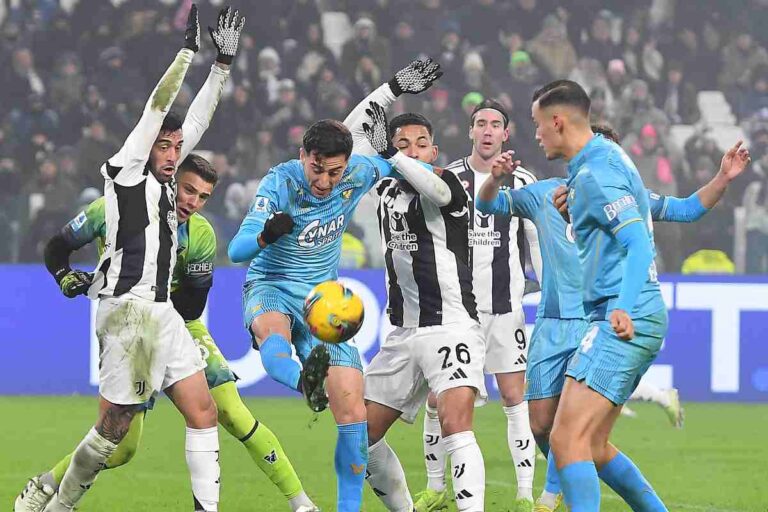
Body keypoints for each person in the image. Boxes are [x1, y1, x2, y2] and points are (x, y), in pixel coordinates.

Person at [31, 7, 243, 512]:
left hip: (161, 312)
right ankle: (55, 503)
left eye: (176, 148)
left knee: (203, 411)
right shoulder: (128, 173)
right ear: (147, 149)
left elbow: (198, 117)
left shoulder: (169, 179)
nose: (172, 153)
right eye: (164, 147)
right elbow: (158, 108)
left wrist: (222, 66)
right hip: (126, 311)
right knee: (113, 431)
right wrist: (187, 53)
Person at [17, 158, 318, 512]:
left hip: (180, 326)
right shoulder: (113, 210)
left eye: (203, 196)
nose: (192, 202)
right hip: (130, 329)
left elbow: (192, 307)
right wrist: (67, 277)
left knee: (234, 415)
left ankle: (302, 504)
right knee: (122, 447)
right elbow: (56, 247)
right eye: (188, 190)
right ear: (170, 182)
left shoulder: (201, 234)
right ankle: (47, 484)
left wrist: (151, 296)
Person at [477, 132, 749, 511]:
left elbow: (686, 209)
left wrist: (722, 178)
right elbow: (489, 205)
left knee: (575, 436)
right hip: (554, 323)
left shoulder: (626, 198)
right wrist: (494, 179)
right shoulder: (544, 194)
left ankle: (555, 496)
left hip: (599, 322)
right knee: (544, 426)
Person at [228, 58, 442, 512]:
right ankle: (303, 382)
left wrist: (394, 99)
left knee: (354, 417)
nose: (325, 182)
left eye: (334, 172)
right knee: (273, 331)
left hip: (323, 301)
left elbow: (392, 159)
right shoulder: (280, 182)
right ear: (303, 156)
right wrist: (267, 234)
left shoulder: (358, 172)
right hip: (272, 284)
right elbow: (238, 249)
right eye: (317, 170)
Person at [529, 79, 679, 511]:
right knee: (591, 445)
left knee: (565, 437)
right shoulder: (598, 164)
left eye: (539, 124)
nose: (537, 134)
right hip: (623, 312)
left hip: (625, 313)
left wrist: (623, 307)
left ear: (557, 121)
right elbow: (668, 213)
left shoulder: (596, 172)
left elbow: (638, 244)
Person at [343, 80, 487, 511]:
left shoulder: (449, 184)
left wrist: (390, 152)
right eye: (402, 142)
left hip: (451, 326)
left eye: (420, 143)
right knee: (358, 437)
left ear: (433, 151)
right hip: (404, 332)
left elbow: (437, 192)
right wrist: (389, 89)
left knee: (455, 423)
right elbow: (347, 138)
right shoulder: (384, 188)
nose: (411, 148)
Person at [414, 99, 542, 512]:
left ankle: (524, 494)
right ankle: (436, 487)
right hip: (456, 312)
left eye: (495, 125)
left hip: (505, 309)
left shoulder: (522, 181)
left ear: (506, 134)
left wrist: (553, 288)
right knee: (438, 400)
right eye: (480, 124)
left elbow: (536, 243)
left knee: (513, 396)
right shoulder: (446, 178)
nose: (487, 130)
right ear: (470, 132)